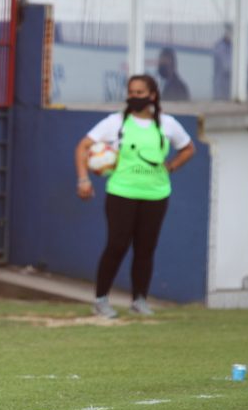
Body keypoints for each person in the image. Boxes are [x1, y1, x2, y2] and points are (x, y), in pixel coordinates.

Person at [74, 74, 195, 319]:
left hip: (156, 193)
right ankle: (101, 299)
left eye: (140, 93)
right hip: (122, 192)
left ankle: (139, 300)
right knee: (117, 244)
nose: (134, 97)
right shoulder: (115, 122)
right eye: (131, 92)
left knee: (145, 248)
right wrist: (84, 178)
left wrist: (171, 166)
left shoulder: (167, 124)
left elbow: (189, 148)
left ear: (152, 96)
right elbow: (83, 147)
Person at [212, 24, 232, 100]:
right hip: (220, 88)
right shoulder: (219, 47)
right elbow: (226, 66)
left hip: (229, 89)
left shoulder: (233, 47)